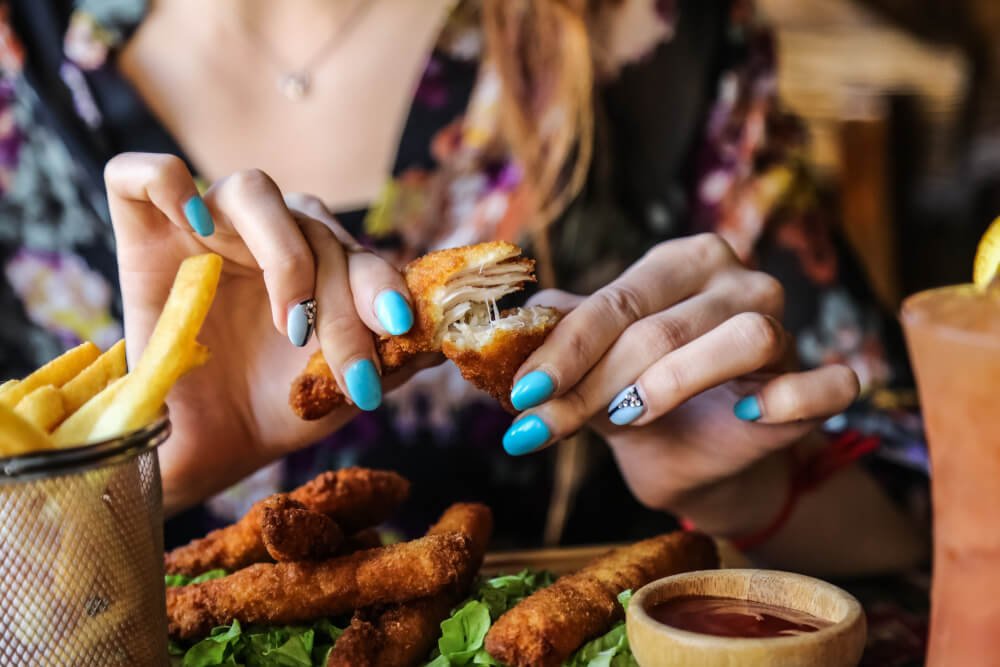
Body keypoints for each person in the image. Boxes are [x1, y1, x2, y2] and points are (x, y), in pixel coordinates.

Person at [1, 0, 925, 573]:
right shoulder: (17, 69)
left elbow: (926, 528)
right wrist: (125, 477)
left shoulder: (650, 39)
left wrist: (752, 493)